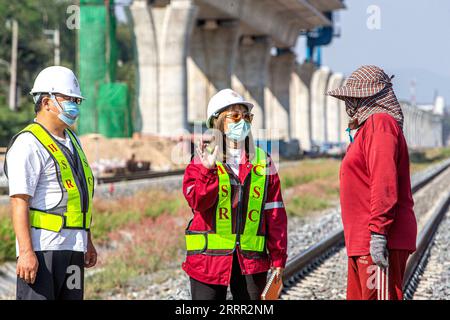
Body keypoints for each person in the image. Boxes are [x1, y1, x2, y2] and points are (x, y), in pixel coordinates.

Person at [182, 89, 288, 300]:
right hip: (208, 261)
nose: (243, 121)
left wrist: (278, 259)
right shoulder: (201, 160)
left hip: (251, 262)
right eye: (235, 116)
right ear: (218, 121)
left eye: (247, 116)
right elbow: (197, 202)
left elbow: (274, 213)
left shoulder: (262, 161)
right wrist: (208, 170)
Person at [4, 66, 97, 300]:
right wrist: (26, 252)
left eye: (77, 100)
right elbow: (19, 201)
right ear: (46, 102)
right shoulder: (29, 143)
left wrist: (88, 241)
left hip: (73, 248)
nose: (75, 105)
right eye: (70, 99)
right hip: (43, 249)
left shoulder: (73, 141)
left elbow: (78, 198)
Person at [327, 65, 417, 300]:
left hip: (376, 239)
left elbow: (383, 181)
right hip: (363, 240)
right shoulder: (370, 128)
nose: (350, 104)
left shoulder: (380, 124)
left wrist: (378, 234)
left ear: (370, 97)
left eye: (355, 98)